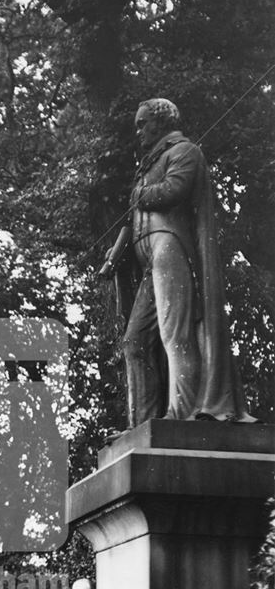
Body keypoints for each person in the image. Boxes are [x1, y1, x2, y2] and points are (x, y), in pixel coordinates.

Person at [102, 97, 255, 428]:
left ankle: (181, 413)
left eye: (143, 123)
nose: (139, 130)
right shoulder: (149, 162)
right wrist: (115, 253)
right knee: (134, 342)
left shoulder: (184, 151)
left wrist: (138, 195)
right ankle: (140, 424)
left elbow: (174, 190)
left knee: (176, 335)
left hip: (170, 247)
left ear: (161, 121)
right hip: (148, 261)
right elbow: (134, 217)